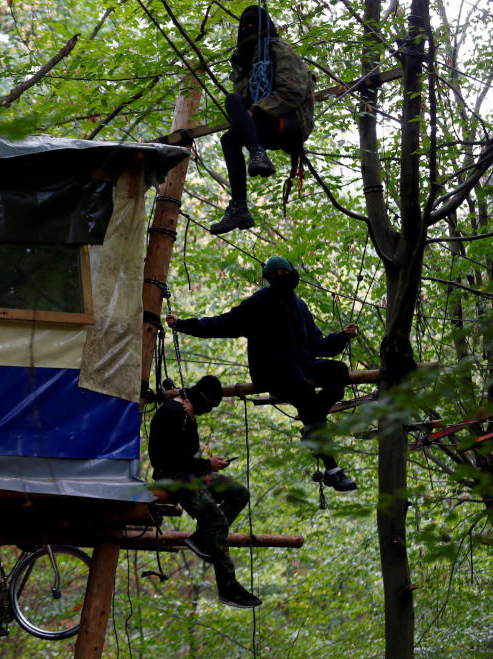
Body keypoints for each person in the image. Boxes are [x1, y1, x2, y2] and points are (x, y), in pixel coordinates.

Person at [167, 257, 359, 491]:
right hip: (271, 370)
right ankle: (332, 468)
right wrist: (183, 324)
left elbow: (318, 343)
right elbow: (221, 324)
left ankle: (313, 425)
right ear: (269, 278)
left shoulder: (300, 306)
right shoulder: (258, 304)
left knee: (338, 371)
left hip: (300, 364)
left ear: (291, 272)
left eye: (283, 271)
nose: (281, 276)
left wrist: (342, 336)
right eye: (275, 273)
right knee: (302, 389)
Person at [149, 375, 262, 608]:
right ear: (202, 400)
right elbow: (173, 459)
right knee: (217, 520)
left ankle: (201, 539)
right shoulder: (172, 412)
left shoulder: (187, 412)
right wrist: (207, 465)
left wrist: (192, 423)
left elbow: (190, 450)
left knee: (239, 493)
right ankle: (228, 587)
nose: (208, 411)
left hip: (190, 472)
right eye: (209, 406)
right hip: (172, 476)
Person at [210, 5, 315, 235]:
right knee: (230, 133)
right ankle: (240, 207)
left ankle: (258, 154)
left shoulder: (278, 49)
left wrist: (257, 110)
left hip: (290, 123)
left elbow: (293, 91)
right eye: (244, 27)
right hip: (264, 126)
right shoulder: (243, 64)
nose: (248, 31)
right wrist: (251, 110)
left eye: (253, 27)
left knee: (238, 108)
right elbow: (244, 102)